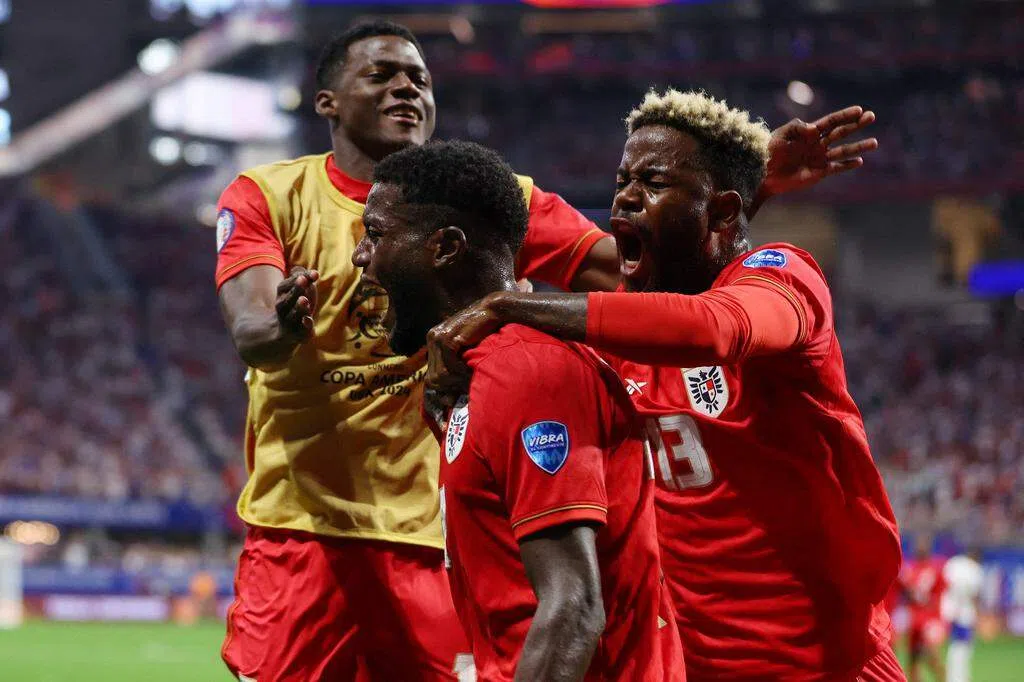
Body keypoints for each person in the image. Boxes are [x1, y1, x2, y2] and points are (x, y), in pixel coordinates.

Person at [215, 17, 877, 680]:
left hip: (822, 657)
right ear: (326, 100)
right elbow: (252, 331)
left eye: (419, 77)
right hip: (306, 528)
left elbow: (692, 305)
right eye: (382, 75)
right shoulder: (272, 195)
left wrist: (503, 305)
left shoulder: (504, 220)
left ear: (451, 246)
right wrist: (283, 328)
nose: (405, 89)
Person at [427, 89, 904, 681]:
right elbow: (498, 212)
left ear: (723, 212)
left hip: (826, 664)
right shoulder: (625, 307)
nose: (625, 197)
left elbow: (715, 327)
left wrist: (509, 307)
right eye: (622, 180)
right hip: (692, 668)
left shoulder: (782, 279)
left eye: (652, 182)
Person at [353, 138, 684, 682]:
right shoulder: (476, 372)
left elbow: (573, 609)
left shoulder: (527, 373)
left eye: (376, 234)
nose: (360, 256)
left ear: (445, 247)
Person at [900, 536, 947, 682]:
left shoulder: (936, 569)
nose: (920, 549)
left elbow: (941, 592)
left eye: (923, 546)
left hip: (930, 619)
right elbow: (905, 592)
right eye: (918, 546)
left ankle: (943, 678)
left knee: (930, 653)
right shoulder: (910, 569)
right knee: (913, 659)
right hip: (915, 619)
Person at [941, 548, 984, 682]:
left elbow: (944, 583)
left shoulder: (954, 562)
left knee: (955, 644)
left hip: (947, 608)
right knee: (963, 645)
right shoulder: (975, 569)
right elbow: (975, 595)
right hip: (964, 611)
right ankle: (958, 677)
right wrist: (978, 615)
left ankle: (955, 675)